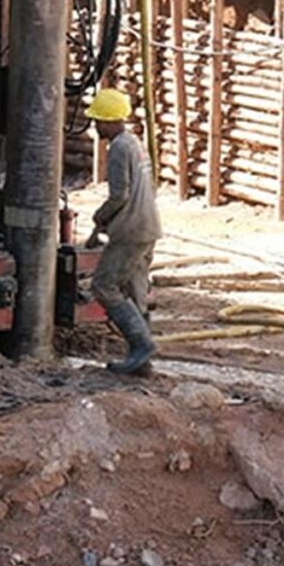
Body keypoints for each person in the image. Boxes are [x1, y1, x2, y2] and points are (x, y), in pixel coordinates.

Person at [85, 88, 162, 375]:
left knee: (103, 286)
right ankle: (142, 363)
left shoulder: (118, 148)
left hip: (130, 231)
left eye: (97, 121)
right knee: (136, 290)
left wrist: (99, 217)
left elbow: (120, 195)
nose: (95, 126)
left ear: (108, 121)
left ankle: (141, 344)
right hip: (149, 226)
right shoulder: (135, 143)